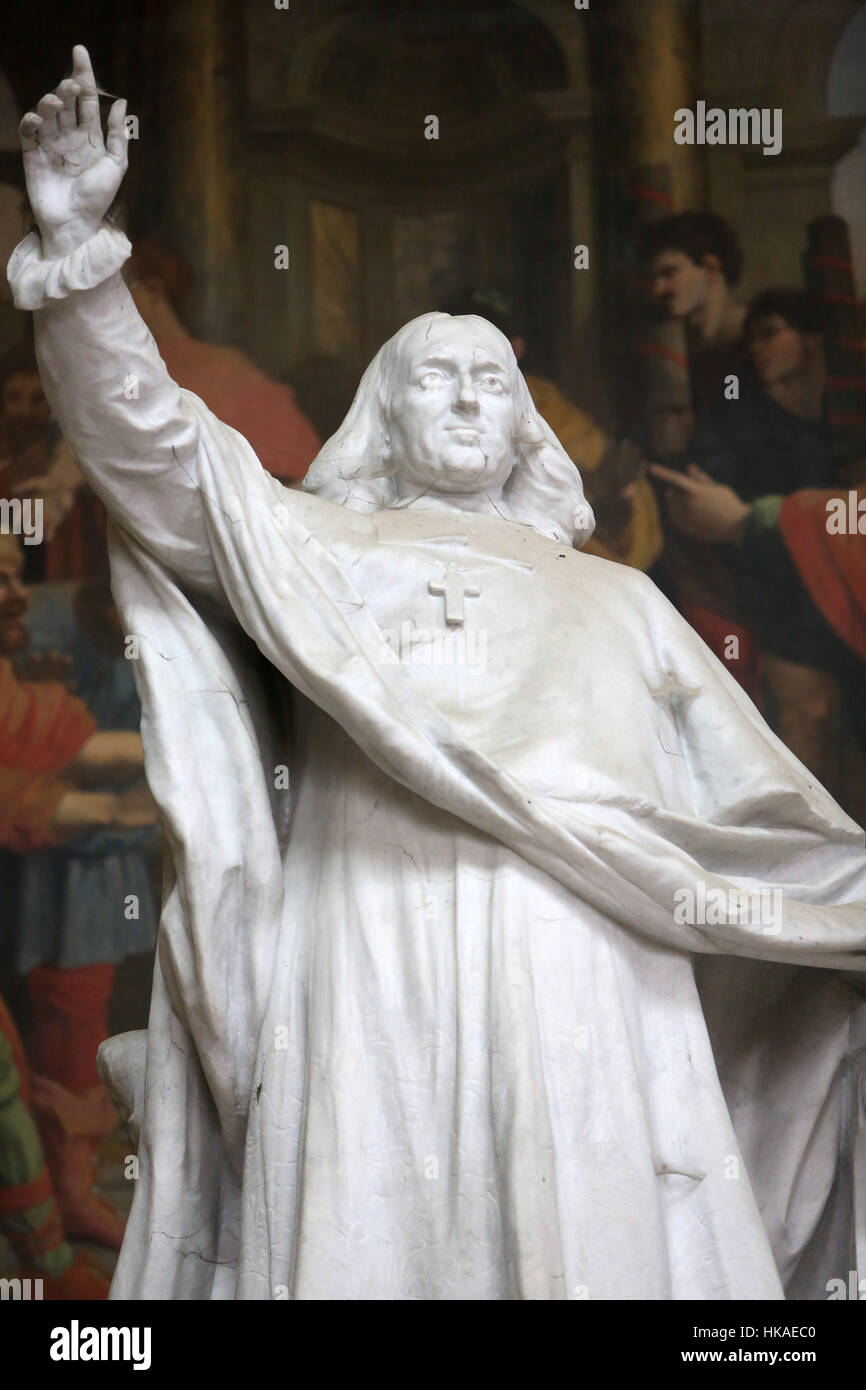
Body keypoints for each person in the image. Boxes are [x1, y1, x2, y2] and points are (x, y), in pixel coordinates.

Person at [11, 48, 866, 1302]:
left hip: (580, 951)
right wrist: (85, 263)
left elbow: (756, 811)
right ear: (386, 412)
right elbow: (152, 450)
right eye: (435, 376)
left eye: (491, 379)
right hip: (359, 933)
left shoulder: (617, 597)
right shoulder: (308, 544)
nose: (466, 397)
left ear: (525, 419)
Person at [652, 289, 866, 810]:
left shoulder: (844, 418)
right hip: (779, 589)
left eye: (772, 334)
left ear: (813, 341)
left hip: (842, 587)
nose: (759, 349)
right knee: (804, 716)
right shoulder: (742, 424)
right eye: (753, 339)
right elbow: (700, 508)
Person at [0, 533, 155, 1249]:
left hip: (110, 862)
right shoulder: (47, 624)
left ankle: (71, 1193)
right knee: (62, 1030)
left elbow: (85, 748)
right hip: (56, 875)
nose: (15, 594)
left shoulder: (166, 621)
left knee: (89, 1022)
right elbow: (59, 776)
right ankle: (58, 1208)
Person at [443, 290, 662, 571]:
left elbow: (630, 547)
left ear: (516, 348)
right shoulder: (425, 411)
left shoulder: (556, 416)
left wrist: (613, 505)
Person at [126, 237, 321, 483]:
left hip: (276, 490)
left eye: (126, 288)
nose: (116, 302)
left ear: (155, 290)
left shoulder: (209, 362)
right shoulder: (220, 360)